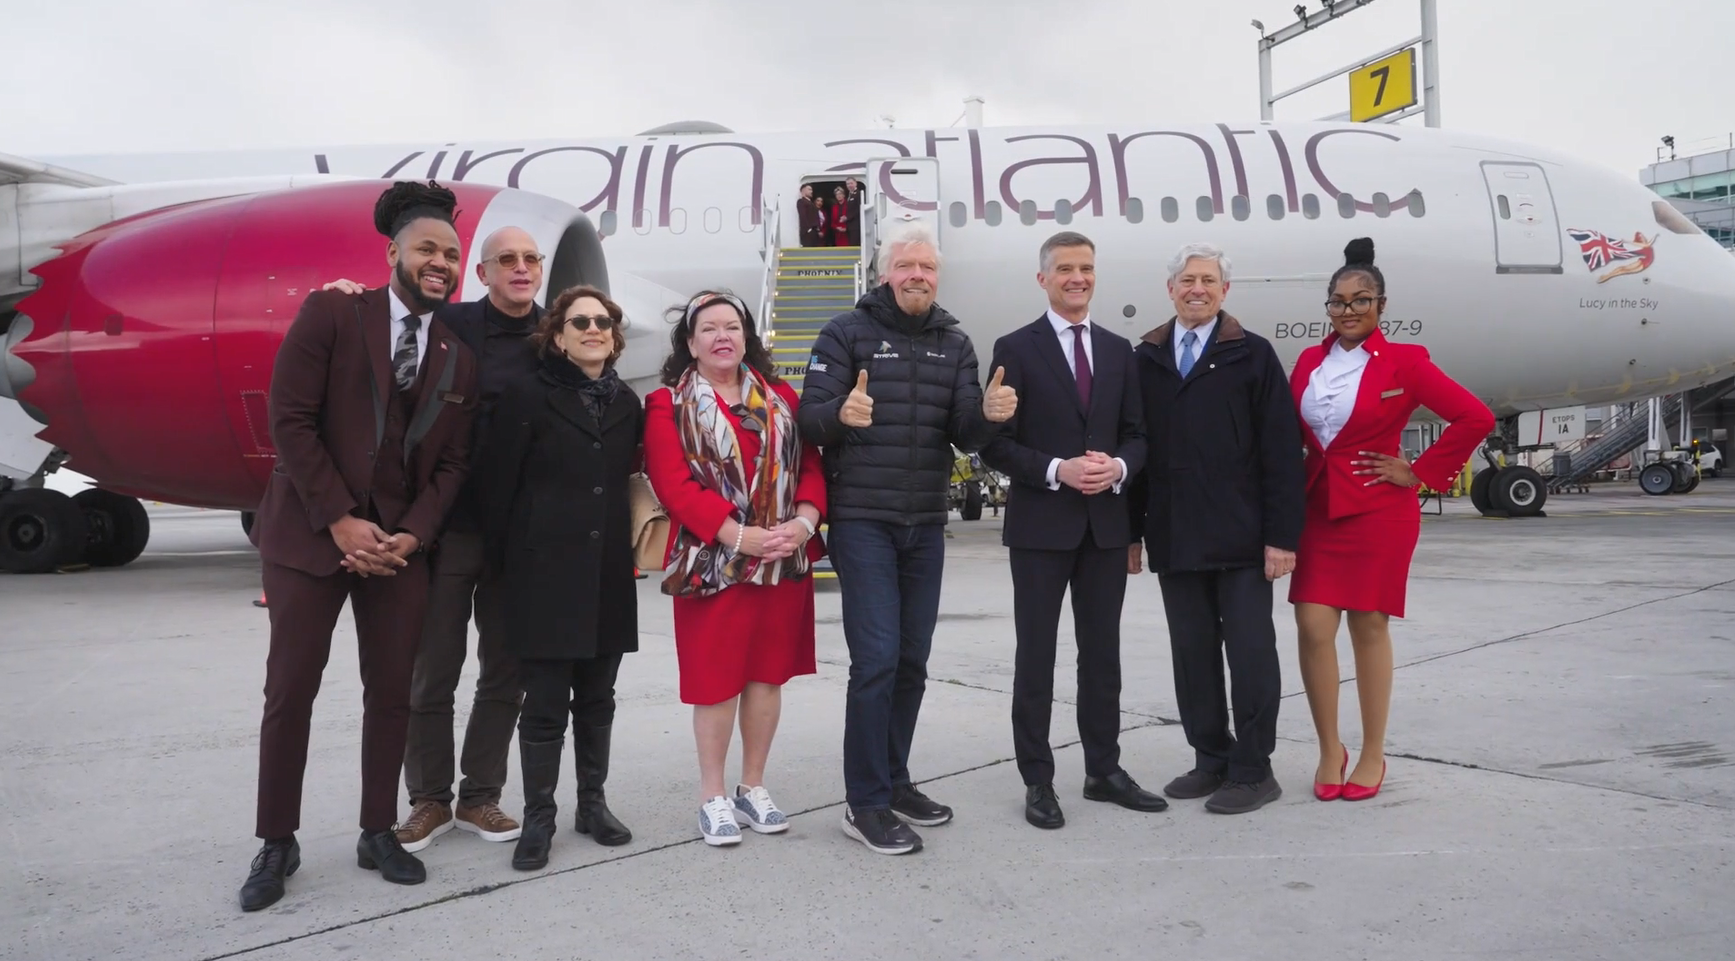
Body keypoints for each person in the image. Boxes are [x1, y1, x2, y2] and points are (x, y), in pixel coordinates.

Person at [240, 181, 478, 911]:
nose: (441, 261)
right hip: (312, 536)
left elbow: (450, 465)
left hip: (398, 551)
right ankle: (276, 838)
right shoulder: (333, 311)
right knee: (291, 692)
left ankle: (379, 829)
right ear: (393, 253)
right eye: (427, 249)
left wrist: (411, 533)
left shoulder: (456, 355)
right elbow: (291, 419)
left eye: (451, 252)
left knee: (392, 695)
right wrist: (341, 517)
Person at [321, 230, 548, 854]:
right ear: (483, 271)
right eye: (508, 260)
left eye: (531, 259)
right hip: (444, 528)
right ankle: (428, 800)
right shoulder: (450, 322)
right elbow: (380, 322)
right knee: (431, 672)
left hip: (517, 536)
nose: (521, 269)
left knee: (504, 672)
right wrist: (345, 296)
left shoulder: (553, 335)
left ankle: (480, 797)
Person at [799, 219, 1018, 855]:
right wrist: (839, 415)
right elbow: (808, 416)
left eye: (927, 268)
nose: (917, 276)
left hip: (924, 522)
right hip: (863, 520)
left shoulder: (954, 341)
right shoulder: (845, 333)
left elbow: (965, 433)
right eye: (906, 266)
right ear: (884, 272)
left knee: (913, 663)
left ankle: (894, 781)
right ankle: (862, 802)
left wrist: (988, 416)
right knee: (876, 662)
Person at [1289, 238, 1494, 802]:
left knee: (1369, 626)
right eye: (1338, 300)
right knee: (1311, 628)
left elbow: (1473, 416)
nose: (1348, 310)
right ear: (1327, 306)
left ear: (1381, 304)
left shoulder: (1407, 361)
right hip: (1318, 509)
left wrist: (1421, 472)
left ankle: (1373, 752)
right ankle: (1330, 748)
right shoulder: (1310, 361)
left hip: (1379, 510)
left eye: (1361, 299)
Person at [979, 231, 1167, 830]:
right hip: (1041, 528)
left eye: (1086, 268)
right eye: (1065, 269)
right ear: (1043, 279)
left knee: (1102, 658)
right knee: (1035, 658)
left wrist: (1119, 467)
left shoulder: (1119, 352)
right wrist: (1057, 470)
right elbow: (996, 446)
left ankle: (1103, 770)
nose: (1077, 278)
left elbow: (1139, 434)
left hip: (1105, 529)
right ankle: (1038, 779)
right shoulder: (1016, 347)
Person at [643, 290, 828, 847]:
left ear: (747, 337)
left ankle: (753, 787)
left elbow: (812, 467)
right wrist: (739, 536)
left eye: (733, 326)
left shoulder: (784, 399)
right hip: (713, 564)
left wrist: (802, 524)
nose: (722, 336)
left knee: (767, 677)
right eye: (709, 328)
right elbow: (672, 484)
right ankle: (713, 796)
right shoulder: (665, 404)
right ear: (690, 342)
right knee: (716, 683)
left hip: (781, 560)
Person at [1126, 241, 1305, 816]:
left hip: (1244, 538)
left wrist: (1283, 537)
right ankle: (1211, 757)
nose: (1197, 289)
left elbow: (1281, 451)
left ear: (1225, 291)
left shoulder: (1252, 355)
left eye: (1208, 280)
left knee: (1251, 653)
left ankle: (1254, 769)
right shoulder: (1146, 358)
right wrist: (1132, 532)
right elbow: (1135, 450)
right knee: (1192, 652)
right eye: (1187, 280)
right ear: (1170, 289)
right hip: (1176, 536)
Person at [475, 285, 642, 870]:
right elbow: (497, 487)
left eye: (603, 321)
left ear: (614, 335)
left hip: (607, 578)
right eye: (580, 322)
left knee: (598, 701)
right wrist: (504, 571)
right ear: (558, 335)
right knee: (544, 706)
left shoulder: (628, 404)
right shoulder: (528, 395)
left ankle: (591, 805)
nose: (593, 329)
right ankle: (539, 817)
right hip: (542, 576)